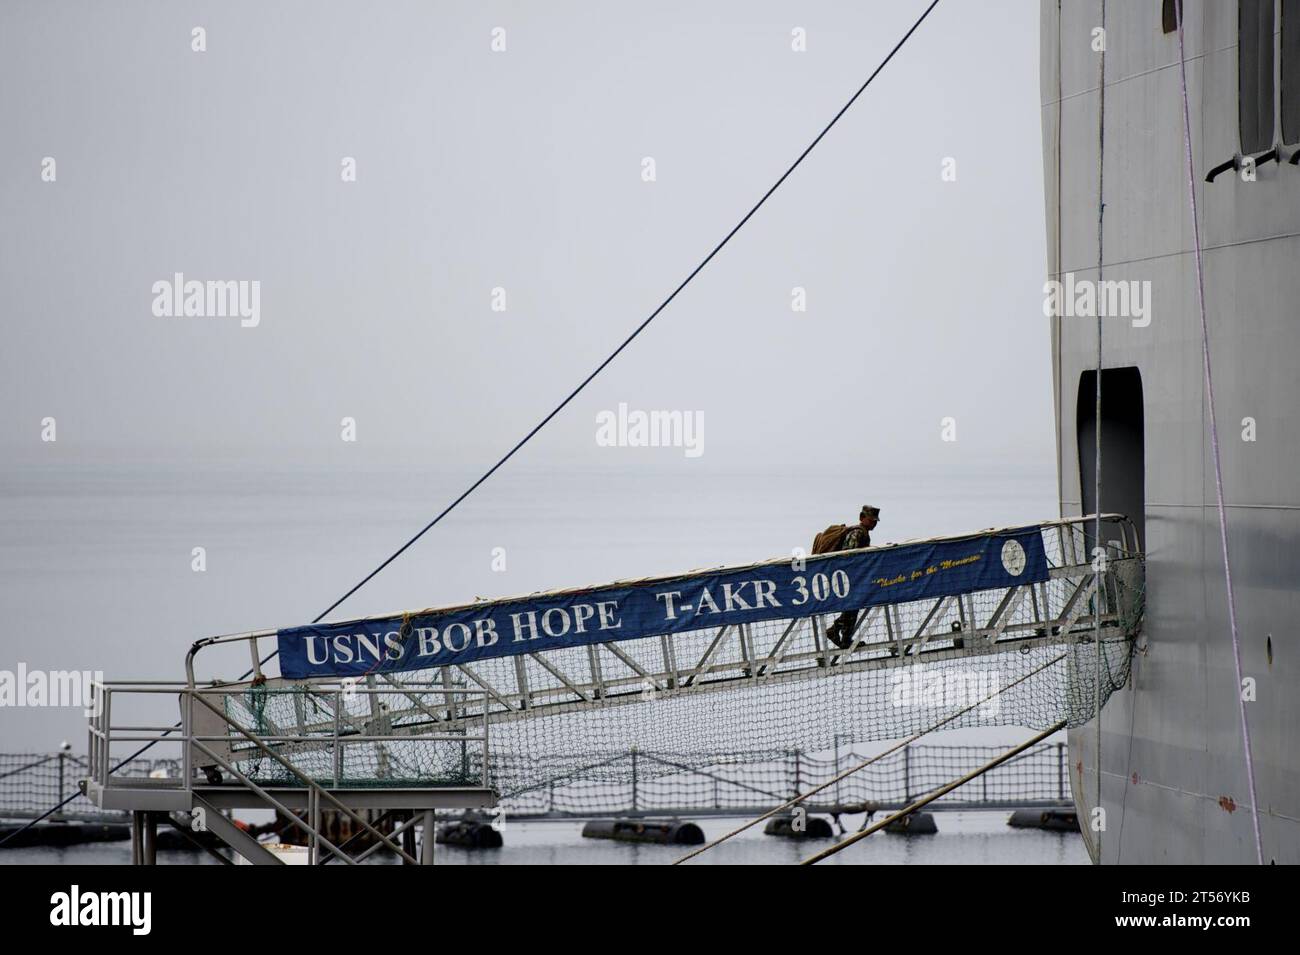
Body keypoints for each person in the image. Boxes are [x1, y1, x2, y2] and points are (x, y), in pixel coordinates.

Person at [825, 505, 879, 649]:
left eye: (875, 521)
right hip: (849, 577)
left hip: (853, 577)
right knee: (852, 607)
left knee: (853, 608)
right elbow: (848, 554)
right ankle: (839, 633)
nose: (874, 524)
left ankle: (841, 635)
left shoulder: (863, 533)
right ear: (862, 518)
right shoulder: (857, 533)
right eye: (871, 520)